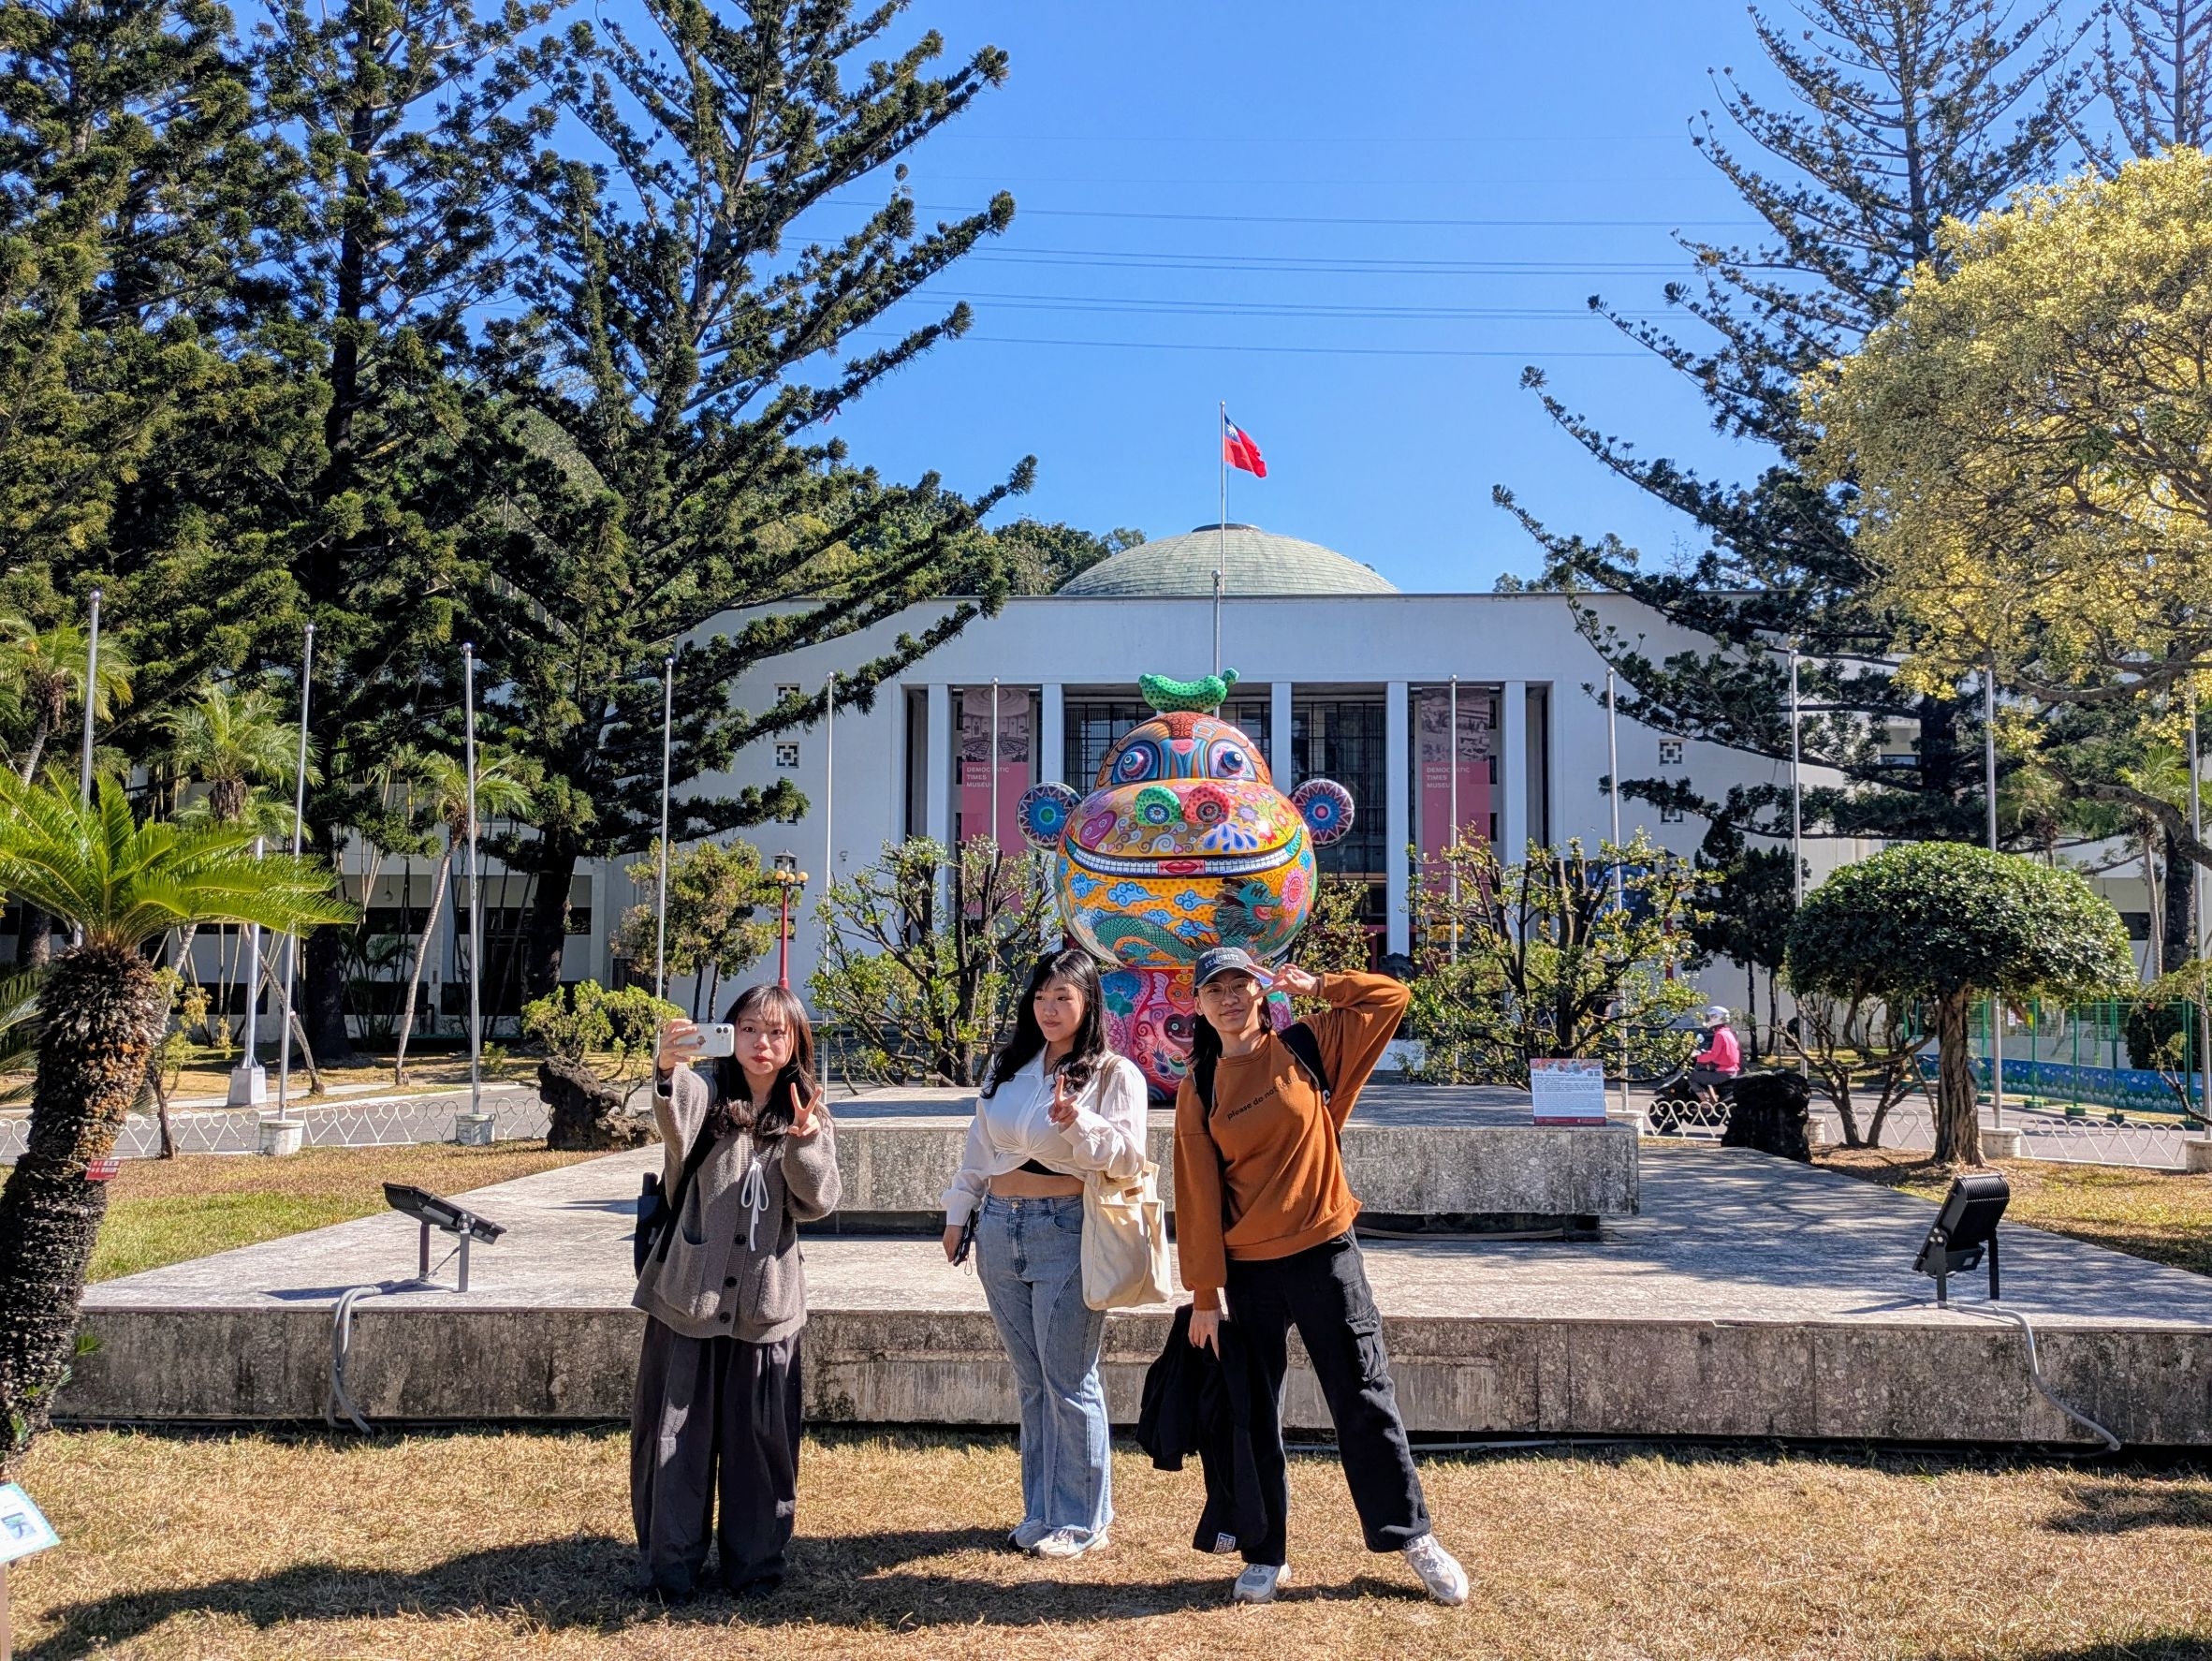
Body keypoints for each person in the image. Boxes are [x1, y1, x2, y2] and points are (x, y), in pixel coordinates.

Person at [1173, 948, 1470, 1608]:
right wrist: (1204, 1294)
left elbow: (1390, 998)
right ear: (1198, 1005)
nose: (1230, 998)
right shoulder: (1201, 1084)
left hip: (1325, 1251)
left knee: (1363, 1394)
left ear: (1261, 992)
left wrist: (1319, 985)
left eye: (1241, 985)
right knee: (1253, 1412)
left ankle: (1411, 1536)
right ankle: (1264, 1552)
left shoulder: (1307, 1044)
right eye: (1215, 990)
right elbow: (1196, 1196)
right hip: (1250, 1269)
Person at [630, 983, 840, 1601]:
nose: (761, 1043)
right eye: (748, 1028)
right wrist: (667, 1067)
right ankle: (672, 1566)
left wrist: (803, 1140)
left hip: (766, 1303)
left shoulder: (808, 1112)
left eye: (776, 1032)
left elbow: (819, 1201)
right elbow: (675, 1110)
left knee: (760, 1439)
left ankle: (755, 1565)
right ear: (730, 1034)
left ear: (796, 1042)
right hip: (688, 1298)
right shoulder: (707, 1096)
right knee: (674, 1436)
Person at [942, 948, 1150, 1559]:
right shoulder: (1010, 1066)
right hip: (999, 1226)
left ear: (1089, 1003)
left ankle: (1082, 1520)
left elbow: (1129, 1159)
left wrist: (1076, 1123)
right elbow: (979, 1145)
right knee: (1032, 1380)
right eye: (1040, 997)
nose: (1050, 1009)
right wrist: (959, 1209)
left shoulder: (1113, 1075)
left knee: (1068, 1378)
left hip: (1067, 1227)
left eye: (1063, 997)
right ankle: (1041, 1511)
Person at [1689, 1005, 1743, 1108]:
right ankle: (1713, 1101)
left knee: (1691, 1077)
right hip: (1732, 1070)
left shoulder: (1719, 1034)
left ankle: (1706, 1105)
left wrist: (1697, 1057)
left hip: (1723, 1072)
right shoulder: (1728, 1033)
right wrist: (1704, 1054)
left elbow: (1713, 1055)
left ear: (1715, 1018)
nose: (1708, 1020)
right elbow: (1719, 1052)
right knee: (1706, 1073)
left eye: (1709, 1017)